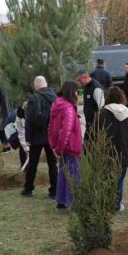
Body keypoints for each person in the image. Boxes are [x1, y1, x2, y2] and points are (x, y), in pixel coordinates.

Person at [97, 86, 128, 213]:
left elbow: (96, 131)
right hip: (123, 150)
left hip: (106, 150)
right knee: (120, 178)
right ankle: (116, 204)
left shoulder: (103, 113)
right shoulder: (127, 113)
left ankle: (105, 203)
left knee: (106, 177)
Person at [48, 80, 83, 211]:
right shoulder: (68, 109)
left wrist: (54, 145)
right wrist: (58, 149)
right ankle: (73, 204)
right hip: (70, 148)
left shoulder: (57, 104)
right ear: (71, 92)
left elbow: (50, 127)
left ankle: (61, 202)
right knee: (73, 176)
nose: (78, 94)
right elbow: (66, 131)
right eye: (77, 91)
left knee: (63, 174)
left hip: (62, 147)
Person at [22, 76, 58, 198]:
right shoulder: (55, 98)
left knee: (33, 163)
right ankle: (54, 190)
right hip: (51, 135)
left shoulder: (33, 98)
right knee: (52, 163)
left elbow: (29, 119)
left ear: (36, 85)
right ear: (46, 84)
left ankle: (28, 189)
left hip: (36, 135)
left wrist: (28, 137)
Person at [76, 70, 105, 139]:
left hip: (95, 124)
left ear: (85, 77)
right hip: (89, 122)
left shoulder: (96, 88)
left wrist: (98, 124)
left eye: (80, 80)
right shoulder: (87, 86)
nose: (79, 83)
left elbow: (101, 107)